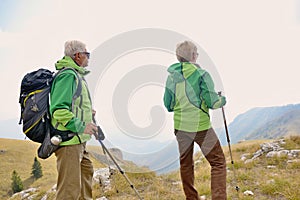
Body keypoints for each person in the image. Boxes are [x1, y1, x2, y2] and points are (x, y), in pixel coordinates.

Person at [163, 41, 227, 200]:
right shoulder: (202, 75)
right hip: (201, 127)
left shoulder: (171, 78)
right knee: (218, 162)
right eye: (196, 54)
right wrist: (222, 99)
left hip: (180, 127)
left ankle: (192, 198)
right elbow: (213, 103)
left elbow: (168, 105)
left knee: (186, 165)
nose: (197, 56)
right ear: (192, 56)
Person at [50, 40, 98, 200]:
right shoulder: (67, 76)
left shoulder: (76, 75)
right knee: (69, 191)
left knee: (86, 175)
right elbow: (59, 110)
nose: (88, 58)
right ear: (78, 56)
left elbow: (73, 104)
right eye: (87, 54)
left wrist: (87, 113)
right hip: (69, 141)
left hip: (79, 141)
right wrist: (82, 126)